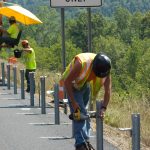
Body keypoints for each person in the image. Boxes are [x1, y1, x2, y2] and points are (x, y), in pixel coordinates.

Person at [60, 53, 112, 150]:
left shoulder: (106, 68)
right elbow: (67, 82)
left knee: (85, 114)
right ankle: (80, 145)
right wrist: (74, 103)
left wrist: (104, 108)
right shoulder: (81, 63)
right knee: (80, 115)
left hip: (85, 83)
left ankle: (85, 142)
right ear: (94, 66)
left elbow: (108, 91)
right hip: (73, 85)